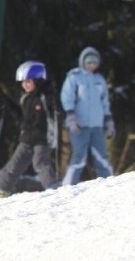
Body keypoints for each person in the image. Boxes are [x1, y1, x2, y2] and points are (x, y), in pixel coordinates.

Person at [0, 61, 59, 197]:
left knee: (39, 162)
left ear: (38, 81)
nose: (25, 85)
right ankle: (2, 188)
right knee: (15, 163)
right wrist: (6, 100)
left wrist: (52, 99)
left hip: (43, 139)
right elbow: (21, 117)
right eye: (23, 82)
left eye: (28, 81)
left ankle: (53, 187)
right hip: (27, 138)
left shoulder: (45, 97)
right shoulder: (26, 99)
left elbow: (55, 111)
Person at [60, 47, 115, 185]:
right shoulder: (74, 77)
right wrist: (71, 116)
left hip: (96, 124)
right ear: (82, 62)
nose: (91, 65)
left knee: (101, 155)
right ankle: (69, 184)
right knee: (79, 155)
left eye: (94, 63)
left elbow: (104, 101)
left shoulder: (99, 80)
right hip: (80, 124)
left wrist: (108, 120)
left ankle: (108, 182)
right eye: (88, 62)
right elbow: (67, 96)